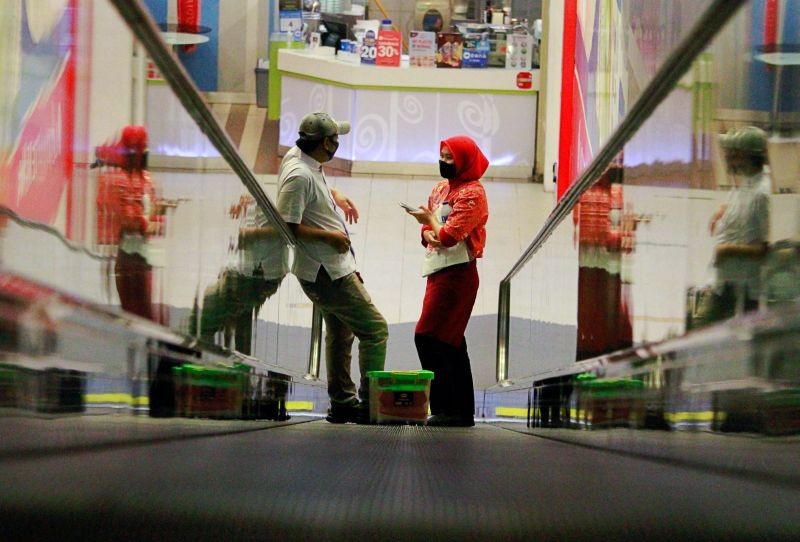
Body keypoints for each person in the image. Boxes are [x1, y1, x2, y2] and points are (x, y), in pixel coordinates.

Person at [276, 112, 388, 424]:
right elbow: (286, 226)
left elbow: (311, 190)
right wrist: (331, 237)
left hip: (330, 267)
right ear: (326, 143)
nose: (338, 142)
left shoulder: (300, 158)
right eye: (335, 138)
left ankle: (342, 402)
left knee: (341, 332)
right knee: (375, 329)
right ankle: (370, 403)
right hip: (326, 271)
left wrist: (334, 195)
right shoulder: (300, 175)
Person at [405, 135, 490, 427]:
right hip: (437, 270)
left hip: (458, 276)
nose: (443, 162)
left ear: (465, 160)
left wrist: (430, 225)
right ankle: (457, 410)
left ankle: (449, 407)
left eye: (450, 158)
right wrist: (428, 227)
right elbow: (430, 234)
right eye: (442, 155)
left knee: (429, 336)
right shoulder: (441, 188)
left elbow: (448, 236)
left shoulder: (473, 194)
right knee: (449, 341)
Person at [691, 125, 771, 329]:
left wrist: (727, 250)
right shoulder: (747, 185)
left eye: (735, 155)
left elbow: (763, 249)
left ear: (748, 156)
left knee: (701, 333)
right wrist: (724, 210)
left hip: (741, 290)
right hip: (724, 284)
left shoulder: (762, 193)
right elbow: (745, 217)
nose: (730, 160)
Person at [94, 125, 174, 324]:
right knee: (133, 312)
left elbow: (152, 222)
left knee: (142, 311)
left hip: (141, 255)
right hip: (128, 254)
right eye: (137, 147)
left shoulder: (146, 180)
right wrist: (149, 219)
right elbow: (129, 219)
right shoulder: (116, 180)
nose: (141, 152)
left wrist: (152, 218)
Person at [193, 194, 289, 355]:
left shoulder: (283, 191)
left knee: (210, 310)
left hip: (255, 275)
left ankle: (205, 355)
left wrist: (251, 233)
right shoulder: (255, 201)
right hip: (247, 273)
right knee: (240, 319)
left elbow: (289, 228)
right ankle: (236, 362)